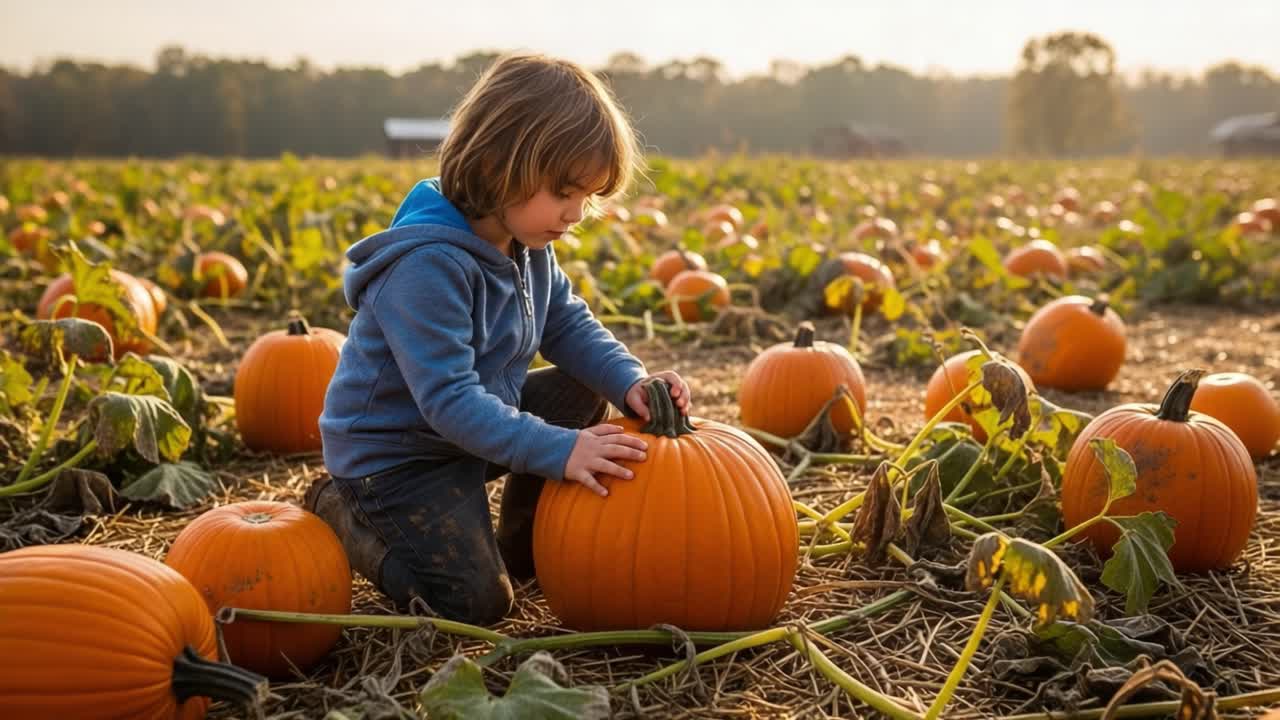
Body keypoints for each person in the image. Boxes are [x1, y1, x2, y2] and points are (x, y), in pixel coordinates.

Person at [305, 52, 692, 626]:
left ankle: (527, 546)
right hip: (397, 461)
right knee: (475, 604)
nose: (575, 213)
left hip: (468, 436)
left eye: (588, 196)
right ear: (496, 164)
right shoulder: (427, 266)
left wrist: (630, 380)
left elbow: (565, 322)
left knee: (581, 392)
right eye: (564, 191)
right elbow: (449, 402)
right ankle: (338, 512)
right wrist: (561, 450)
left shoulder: (528, 242)